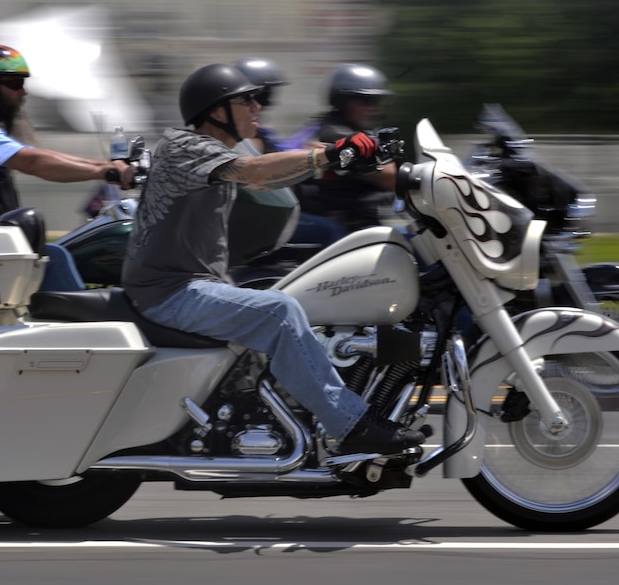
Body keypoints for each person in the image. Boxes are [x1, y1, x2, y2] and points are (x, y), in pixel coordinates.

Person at [120, 63, 425, 456]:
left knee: (286, 300)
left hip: (197, 284)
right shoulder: (185, 147)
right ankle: (349, 425)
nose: (256, 107)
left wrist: (347, 158)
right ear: (216, 111)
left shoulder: (223, 150)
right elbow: (255, 173)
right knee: (280, 312)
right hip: (169, 290)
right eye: (246, 100)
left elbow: (277, 173)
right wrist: (335, 152)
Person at [0, 44, 134, 233]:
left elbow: (41, 156)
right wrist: (104, 171)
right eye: (14, 83)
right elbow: (34, 162)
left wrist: (108, 167)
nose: (23, 92)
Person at [232, 56, 346, 249]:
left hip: (274, 209)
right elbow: (261, 166)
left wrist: (313, 152)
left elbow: (282, 151)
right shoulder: (246, 135)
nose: (262, 104)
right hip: (266, 215)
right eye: (263, 94)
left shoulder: (259, 130)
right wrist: (309, 157)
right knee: (333, 231)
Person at [294, 63, 398, 233]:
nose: (373, 108)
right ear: (342, 101)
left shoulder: (350, 130)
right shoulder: (337, 135)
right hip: (349, 226)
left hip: (365, 222)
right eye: (366, 101)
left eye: (376, 101)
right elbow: (389, 177)